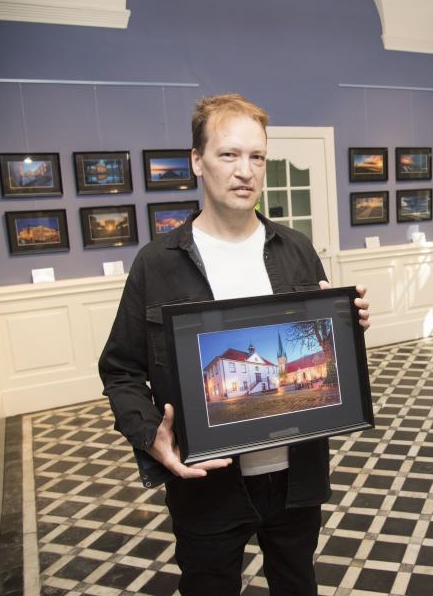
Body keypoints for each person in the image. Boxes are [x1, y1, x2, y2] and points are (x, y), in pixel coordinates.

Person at [98, 93, 370, 596]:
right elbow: (120, 370)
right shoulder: (157, 263)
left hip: (296, 476)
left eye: (257, 156)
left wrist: (348, 330)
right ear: (197, 161)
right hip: (206, 483)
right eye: (229, 155)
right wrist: (150, 436)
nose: (246, 171)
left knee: (296, 583)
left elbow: (321, 347)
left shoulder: (297, 250)